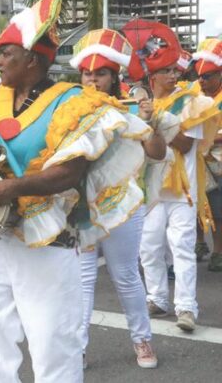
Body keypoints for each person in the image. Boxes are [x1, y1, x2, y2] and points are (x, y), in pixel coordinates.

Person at [0, 0, 147, 382]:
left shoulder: (72, 101)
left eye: (6, 53)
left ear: (31, 59)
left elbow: (70, 173)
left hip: (50, 242)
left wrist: (11, 189)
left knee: (51, 343)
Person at [69, 28, 176, 369]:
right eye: (87, 73)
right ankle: (78, 348)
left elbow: (158, 154)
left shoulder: (131, 112)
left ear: (114, 77)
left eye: (100, 73)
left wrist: (148, 122)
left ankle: (143, 340)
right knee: (82, 281)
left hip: (125, 207)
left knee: (127, 276)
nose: (92, 79)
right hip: (84, 208)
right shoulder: (69, 113)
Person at [123, 19, 219, 333]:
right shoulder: (139, 104)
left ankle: (186, 308)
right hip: (151, 190)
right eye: (166, 71)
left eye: (174, 70)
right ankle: (158, 298)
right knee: (148, 247)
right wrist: (144, 118)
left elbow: (184, 144)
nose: (174, 75)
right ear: (151, 75)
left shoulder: (192, 102)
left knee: (181, 247)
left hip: (183, 190)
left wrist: (160, 119)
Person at [192, 37, 222, 271]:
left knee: (218, 209)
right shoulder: (193, 94)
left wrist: (209, 137)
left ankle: (218, 252)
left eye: (207, 76)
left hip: (218, 159)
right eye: (200, 76)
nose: (202, 80)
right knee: (194, 205)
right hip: (195, 158)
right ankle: (199, 243)